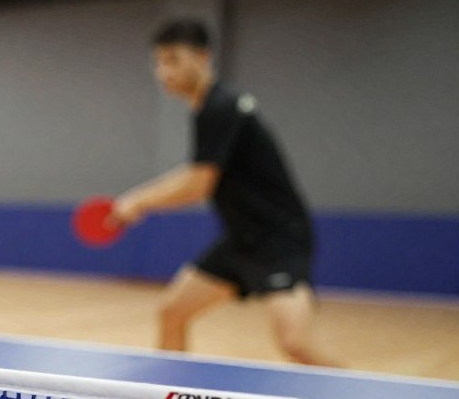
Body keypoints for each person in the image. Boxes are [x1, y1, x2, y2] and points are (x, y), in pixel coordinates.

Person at [109, 19, 337, 366]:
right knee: (172, 313)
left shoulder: (222, 105)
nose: (162, 71)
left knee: (295, 343)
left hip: (278, 241)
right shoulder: (207, 110)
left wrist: (137, 202)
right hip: (241, 239)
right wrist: (138, 199)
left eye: (172, 59)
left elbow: (198, 185)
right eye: (158, 62)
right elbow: (196, 172)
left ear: (202, 57)